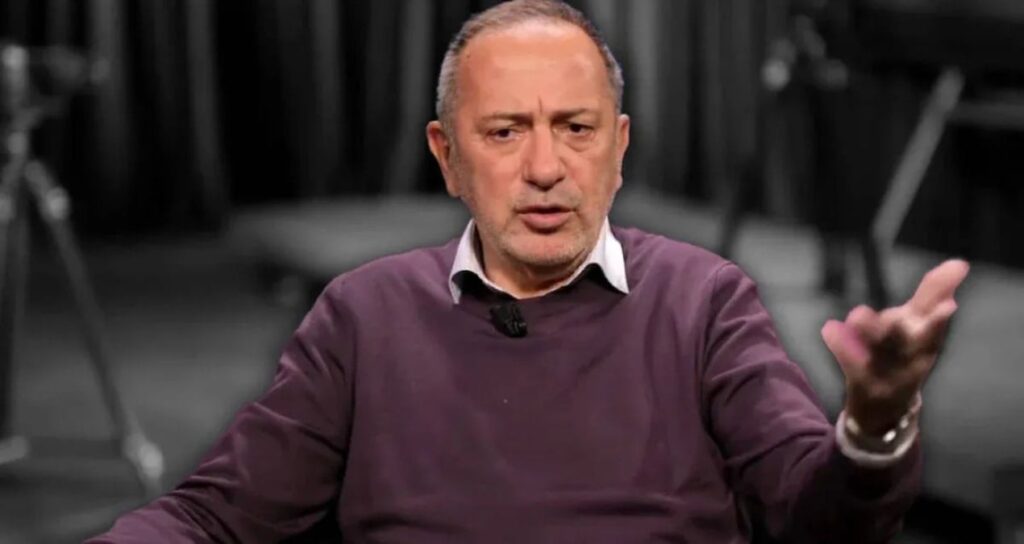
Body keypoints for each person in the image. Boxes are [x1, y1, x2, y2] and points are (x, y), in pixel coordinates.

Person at [88, 1, 969, 542]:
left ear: (617, 150)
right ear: (447, 156)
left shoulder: (704, 302)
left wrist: (873, 427)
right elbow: (210, 518)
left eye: (576, 129)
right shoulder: (364, 314)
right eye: (506, 132)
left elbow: (818, 520)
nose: (546, 167)